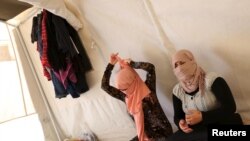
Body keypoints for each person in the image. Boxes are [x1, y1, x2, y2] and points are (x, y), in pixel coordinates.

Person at [167, 49, 243, 141]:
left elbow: (230, 107)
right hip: (199, 129)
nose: (179, 68)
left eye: (182, 62)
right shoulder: (177, 90)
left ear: (192, 62)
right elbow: (178, 116)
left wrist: (202, 117)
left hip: (224, 123)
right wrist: (180, 123)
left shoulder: (212, 80)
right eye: (175, 65)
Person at [101, 53, 173, 141]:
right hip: (145, 136)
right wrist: (111, 65)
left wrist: (132, 63)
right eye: (121, 89)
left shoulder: (148, 88)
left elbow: (150, 68)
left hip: (164, 134)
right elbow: (104, 86)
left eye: (126, 87)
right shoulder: (127, 97)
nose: (123, 91)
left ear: (133, 81)